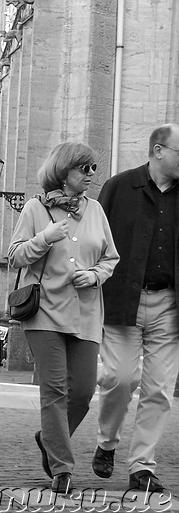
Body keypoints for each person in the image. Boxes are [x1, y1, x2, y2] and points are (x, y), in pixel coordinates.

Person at [8, 142, 119, 494]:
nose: (90, 175)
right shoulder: (35, 209)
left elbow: (111, 258)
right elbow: (14, 255)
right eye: (83, 169)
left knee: (84, 392)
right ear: (62, 171)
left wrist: (96, 275)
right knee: (54, 389)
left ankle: (50, 438)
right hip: (44, 311)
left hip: (86, 313)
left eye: (93, 169)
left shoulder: (97, 211)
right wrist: (44, 238)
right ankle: (62, 468)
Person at [93, 123, 179, 494]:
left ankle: (142, 467)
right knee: (119, 379)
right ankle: (107, 442)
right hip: (123, 300)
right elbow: (95, 238)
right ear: (158, 151)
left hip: (169, 305)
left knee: (159, 389)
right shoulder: (118, 187)